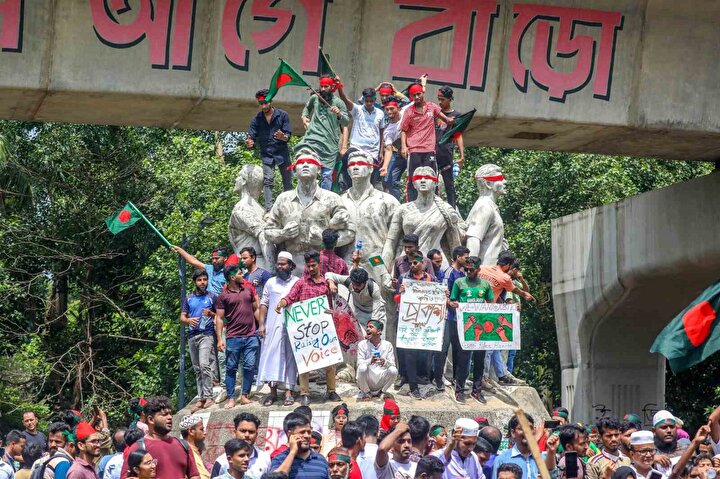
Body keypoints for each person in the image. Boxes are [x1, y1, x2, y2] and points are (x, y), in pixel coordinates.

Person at [264, 151, 354, 273]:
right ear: (294, 171)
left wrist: (326, 241)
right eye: (301, 162)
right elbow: (268, 232)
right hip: (291, 269)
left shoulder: (332, 199)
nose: (305, 165)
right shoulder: (283, 199)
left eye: (310, 162)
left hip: (324, 268)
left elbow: (350, 233)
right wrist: (283, 234)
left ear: (319, 170)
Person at [275, 251, 342, 406]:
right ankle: (305, 393)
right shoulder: (301, 283)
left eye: (313, 265)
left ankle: (331, 390)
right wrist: (281, 303)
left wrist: (331, 312)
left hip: (324, 329)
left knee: (330, 361)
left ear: (319, 264)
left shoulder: (327, 283)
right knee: (304, 362)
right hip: (305, 331)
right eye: (308, 265)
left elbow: (334, 303)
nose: (311, 268)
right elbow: (290, 297)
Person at [447, 255, 494, 404]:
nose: (468, 272)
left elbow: (491, 304)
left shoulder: (485, 284)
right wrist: (452, 304)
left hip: (481, 328)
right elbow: (452, 300)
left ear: (478, 270)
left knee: (479, 360)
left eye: (471, 270)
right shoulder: (459, 282)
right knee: (463, 359)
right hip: (465, 327)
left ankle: (477, 390)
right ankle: (459, 390)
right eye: (466, 269)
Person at [399, 81, 455, 201]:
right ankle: (411, 204)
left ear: (423, 93)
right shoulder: (409, 111)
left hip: (429, 150)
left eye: (418, 94)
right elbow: (403, 130)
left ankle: (434, 203)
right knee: (413, 179)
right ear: (411, 97)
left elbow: (446, 119)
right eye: (413, 95)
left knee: (431, 178)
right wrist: (404, 147)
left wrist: (452, 120)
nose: (417, 97)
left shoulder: (432, 107)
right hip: (414, 150)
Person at [257, 252, 300, 407]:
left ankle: (288, 392)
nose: (280, 266)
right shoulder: (270, 282)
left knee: (290, 359)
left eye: (283, 264)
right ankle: (273, 393)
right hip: (272, 326)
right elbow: (264, 304)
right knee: (271, 358)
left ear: (291, 266)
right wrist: (261, 324)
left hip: (292, 328)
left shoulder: (297, 282)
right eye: (278, 264)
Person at [215, 264, 261, 408]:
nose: (243, 275)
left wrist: (261, 326)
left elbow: (256, 309)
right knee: (231, 368)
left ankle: (245, 395)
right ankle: (231, 398)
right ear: (232, 277)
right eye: (240, 273)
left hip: (251, 335)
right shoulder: (223, 296)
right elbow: (219, 318)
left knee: (250, 366)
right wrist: (219, 339)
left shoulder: (248, 289)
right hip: (233, 337)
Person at [120, 397, 199, 479]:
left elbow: (194, 475)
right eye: (164, 414)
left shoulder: (183, 445)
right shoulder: (137, 448)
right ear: (151, 419)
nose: (170, 417)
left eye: (170, 414)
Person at [296, 75, 350, 190]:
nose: (323, 89)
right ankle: (305, 193)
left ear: (332, 87)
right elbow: (306, 109)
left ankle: (324, 197)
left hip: (329, 144)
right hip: (312, 139)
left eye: (326, 86)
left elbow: (346, 122)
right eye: (322, 86)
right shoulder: (315, 98)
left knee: (327, 175)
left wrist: (339, 114)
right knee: (305, 167)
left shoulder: (339, 103)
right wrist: (304, 117)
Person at [393, 251, 434, 399]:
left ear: (423, 263)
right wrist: (401, 293)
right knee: (408, 352)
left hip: (425, 321)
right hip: (408, 321)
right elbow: (396, 298)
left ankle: (420, 377)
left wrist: (445, 295)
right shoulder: (404, 278)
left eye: (415, 262)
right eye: (410, 263)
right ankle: (412, 386)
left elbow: (437, 297)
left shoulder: (431, 279)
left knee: (422, 352)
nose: (412, 265)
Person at [246, 89, 293, 210]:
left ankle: (289, 206)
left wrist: (283, 137)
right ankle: (269, 208)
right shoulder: (256, 119)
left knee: (287, 181)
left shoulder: (282, 115)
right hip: (266, 154)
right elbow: (251, 136)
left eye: (265, 103)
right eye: (261, 103)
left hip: (282, 154)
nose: (263, 106)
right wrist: (250, 142)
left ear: (271, 101)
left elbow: (288, 135)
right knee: (268, 180)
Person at [432, 246, 468, 393]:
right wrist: (449, 302)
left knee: (459, 349)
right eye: (465, 257)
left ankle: (457, 378)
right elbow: (443, 291)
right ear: (458, 257)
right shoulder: (449, 272)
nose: (467, 260)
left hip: (459, 318)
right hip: (447, 317)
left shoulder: (464, 274)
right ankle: (438, 378)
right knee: (443, 348)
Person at [182, 269, 218, 412]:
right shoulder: (189, 298)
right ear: (195, 282)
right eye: (199, 280)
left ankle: (209, 396)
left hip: (207, 334)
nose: (202, 282)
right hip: (192, 335)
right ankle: (201, 397)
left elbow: (221, 316)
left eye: (204, 279)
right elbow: (182, 317)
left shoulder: (212, 297)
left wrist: (211, 314)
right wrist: (188, 320)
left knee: (204, 364)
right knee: (197, 368)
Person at [337, 84, 385, 190]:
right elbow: (344, 99)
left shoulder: (380, 114)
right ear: (363, 100)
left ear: (375, 100)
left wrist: (381, 151)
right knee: (346, 161)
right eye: (366, 101)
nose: (369, 103)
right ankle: (346, 188)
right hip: (356, 148)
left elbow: (381, 133)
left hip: (372, 152)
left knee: (370, 182)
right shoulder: (357, 110)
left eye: (371, 101)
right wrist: (339, 86)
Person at [492, 413, 558, 479]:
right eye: (521, 428)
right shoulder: (502, 460)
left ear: (534, 431)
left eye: (530, 428)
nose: (527, 432)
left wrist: (551, 451)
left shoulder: (544, 458)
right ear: (513, 433)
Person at [270, 413, 329, 479]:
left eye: (309, 432)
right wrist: (292, 452)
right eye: (302, 432)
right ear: (290, 435)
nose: (307, 436)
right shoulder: (279, 459)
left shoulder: (321, 460)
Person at [211, 413, 270, 479]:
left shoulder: (264, 459)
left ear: (256, 434)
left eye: (251, 432)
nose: (247, 435)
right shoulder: (221, 461)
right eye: (243, 431)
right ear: (235, 432)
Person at [433, 86, 464, 208]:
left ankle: (453, 210)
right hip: (432, 152)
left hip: (446, 153)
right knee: (431, 183)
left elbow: (458, 135)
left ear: (450, 99)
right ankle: (433, 208)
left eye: (443, 99)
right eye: (439, 99)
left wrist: (462, 155)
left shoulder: (456, 115)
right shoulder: (436, 113)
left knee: (449, 185)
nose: (440, 102)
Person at [355, 320, 397, 400]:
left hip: (381, 378)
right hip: (368, 378)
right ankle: (366, 393)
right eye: (367, 327)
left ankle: (382, 392)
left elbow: (393, 364)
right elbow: (359, 363)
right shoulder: (362, 344)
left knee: (393, 370)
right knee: (362, 368)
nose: (367, 329)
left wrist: (385, 362)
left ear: (379, 331)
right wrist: (370, 361)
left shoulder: (387, 345)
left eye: (371, 327)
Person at [380, 98, 406, 201]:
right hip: (399, 155)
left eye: (392, 109)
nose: (389, 112)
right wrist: (385, 167)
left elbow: (415, 98)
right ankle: (396, 204)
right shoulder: (388, 130)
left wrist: (395, 92)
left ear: (398, 108)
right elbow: (388, 149)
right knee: (389, 181)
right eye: (387, 109)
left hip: (414, 152)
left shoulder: (406, 112)